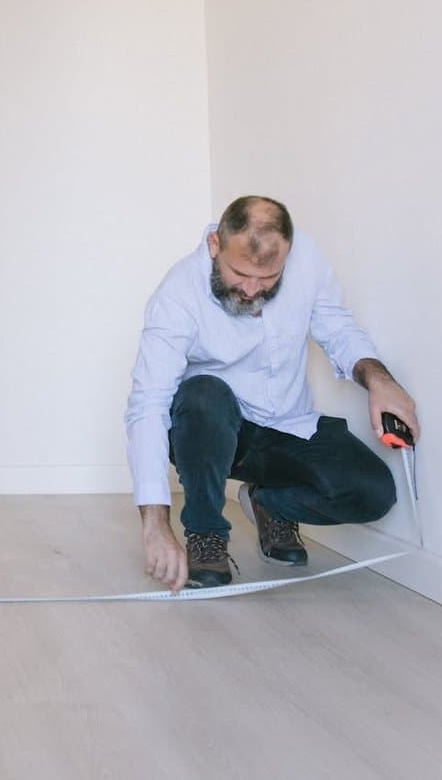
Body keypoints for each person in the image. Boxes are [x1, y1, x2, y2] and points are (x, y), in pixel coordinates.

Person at [124, 196, 419, 589]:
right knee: (203, 393)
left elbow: (337, 328)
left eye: (267, 278)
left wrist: (380, 381)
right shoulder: (177, 294)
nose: (250, 290)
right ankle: (205, 533)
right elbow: (148, 404)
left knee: (373, 493)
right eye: (239, 273)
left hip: (290, 427)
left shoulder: (306, 259)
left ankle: (270, 504)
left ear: (287, 254)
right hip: (212, 434)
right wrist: (155, 526)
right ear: (215, 245)